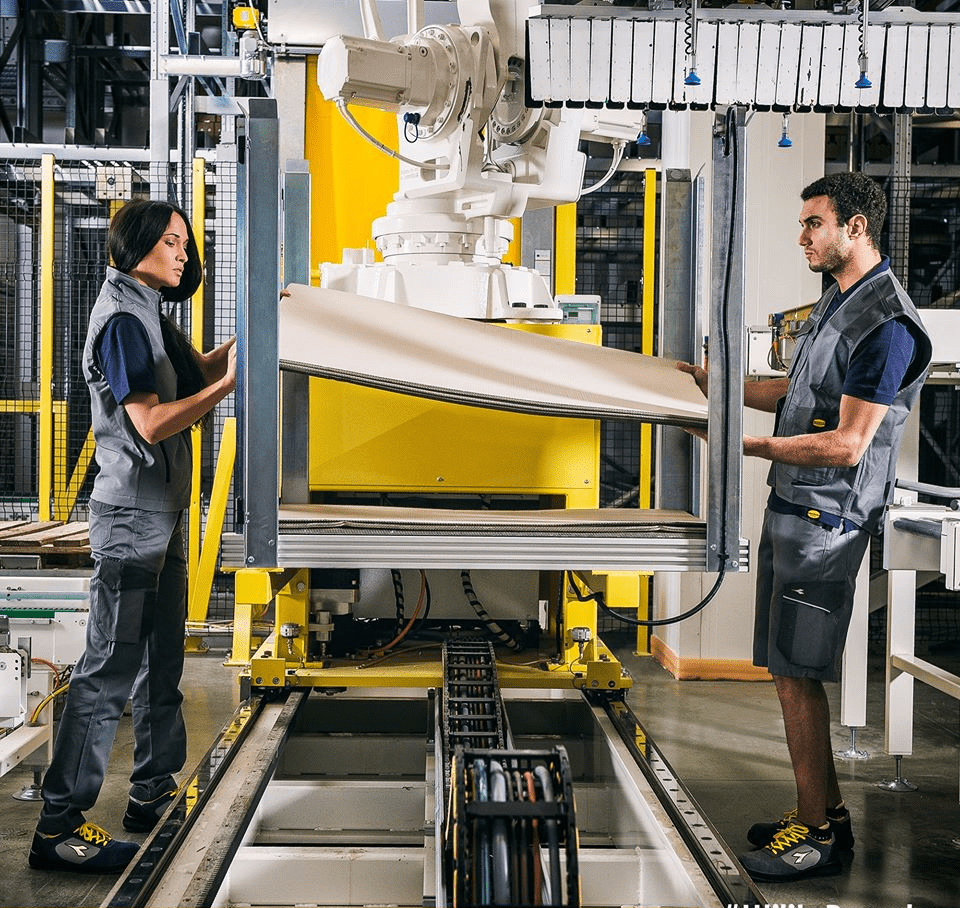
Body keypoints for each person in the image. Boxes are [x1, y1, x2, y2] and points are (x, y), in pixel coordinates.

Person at [679, 172, 931, 882]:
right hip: (795, 507)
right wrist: (711, 385)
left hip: (828, 521)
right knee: (787, 672)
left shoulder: (886, 325)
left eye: (813, 223)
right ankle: (823, 812)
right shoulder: (838, 300)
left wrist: (741, 445)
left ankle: (818, 836)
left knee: (798, 675)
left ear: (856, 227)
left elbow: (849, 444)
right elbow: (796, 393)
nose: (802, 238)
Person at [28, 199, 237, 874]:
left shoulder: (149, 310)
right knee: (108, 669)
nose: (183, 253)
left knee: (162, 658)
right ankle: (58, 826)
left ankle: (150, 790)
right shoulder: (121, 320)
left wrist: (251, 341)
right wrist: (231, 385)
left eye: (185, 244)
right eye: (172, 242)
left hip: (166, 513)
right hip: (131, 517)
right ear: (138, 245)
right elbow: (149, 422)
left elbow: (197, 370)